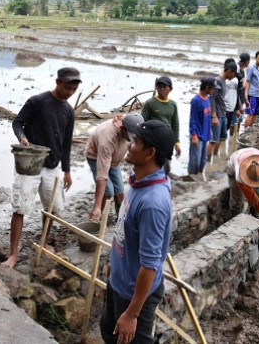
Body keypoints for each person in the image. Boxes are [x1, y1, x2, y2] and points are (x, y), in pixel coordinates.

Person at [100, 119, 174, 344]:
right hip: (119, 281)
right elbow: (126, 230)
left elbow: (150, 265)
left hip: (134, 294)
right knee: (108, 331)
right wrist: (116, 263)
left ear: (150, 153)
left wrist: (132, 314)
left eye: (136, 142)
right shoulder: (138, 180)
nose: (130, 145)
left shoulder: (152, 203)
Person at [2, 67, 81, 268]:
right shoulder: (38, 102)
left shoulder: (68, 111)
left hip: (52, 166)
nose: (70, 92)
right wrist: (22, 137)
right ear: (58, 83)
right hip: (31, 163)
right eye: (67, 87)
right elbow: (17, 123)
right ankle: (13, 254)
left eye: (73, 89)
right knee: (20, 208)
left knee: (52, 208)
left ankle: (44, 240)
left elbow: (66, 143)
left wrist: (67, 170)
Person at [86, 113, 143, 221]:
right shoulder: (108, 137)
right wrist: (97, 206)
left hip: (114, 161)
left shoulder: (132, 122)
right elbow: (102, 176)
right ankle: (97, 216)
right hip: (96, 156)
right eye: (130, 136)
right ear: (122, 128)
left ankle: (121, 219)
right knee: (108, 191)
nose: (132, 140)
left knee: (119, 190)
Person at [227, 147, 259, 223]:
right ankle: (235, 223)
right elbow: (251, 196)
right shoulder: (239, 175)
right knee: (237, 203)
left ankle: (257, 221)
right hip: (233, 165)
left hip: (250, 157)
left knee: (258, 198)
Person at [141, 76, 181, 159]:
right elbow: (142, 123)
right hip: (152, 140)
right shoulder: (150, 103)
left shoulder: (173, 105)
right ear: (156, 87)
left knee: (165, 164)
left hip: (167, 140)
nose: (161, 89)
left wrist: (176, 143)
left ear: (170, 89)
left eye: (164, 87)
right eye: (159, 86)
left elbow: (175, 125)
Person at [208, 61, 237, 161]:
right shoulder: (218, 81)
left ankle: (215, 157)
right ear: (229, 71)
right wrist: (214, 116)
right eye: (234, 74)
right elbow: (212, 98)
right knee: (213, 140)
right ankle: (207, 161)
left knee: (222, 137)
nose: (234, 77)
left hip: (223, 114)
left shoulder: (224, 81)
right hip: (217, 115)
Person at [188, 77, 214, 175]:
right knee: (195, 160)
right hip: (197, 135)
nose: (213, 90)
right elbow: (193, 119)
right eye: (212, 88)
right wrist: (193, 135)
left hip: (205, 134)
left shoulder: (207, 99)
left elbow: (208, 116)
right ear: (207, 88)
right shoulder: (196, 100)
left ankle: (198, 177)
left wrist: (210, 129)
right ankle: (191, 178)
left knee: (203, 160)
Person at [233, 52, 250, 135]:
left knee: (239, 120)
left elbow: (243, 87)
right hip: (236, 102)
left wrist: (245, 99)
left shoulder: (242, 70)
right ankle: (232, 140)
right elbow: (236, 90)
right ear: (246, 62)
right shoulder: (237, 71)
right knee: (234, 122)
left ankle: (235, 139)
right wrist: (239, 106)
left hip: (241, 100)